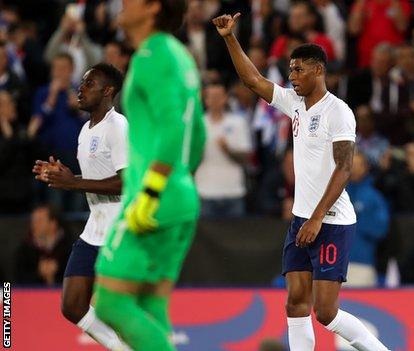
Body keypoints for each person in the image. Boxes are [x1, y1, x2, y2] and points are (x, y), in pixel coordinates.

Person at [214, 12, 389, 351]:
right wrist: (229, 38)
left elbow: (344, 168)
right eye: (290, 69)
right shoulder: (295, 104)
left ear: (319, 70)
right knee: (295, 303)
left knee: (325, 312)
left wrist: (318, 217)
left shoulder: (338, 112)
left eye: (298, 69)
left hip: (331, 221)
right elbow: (253, 81)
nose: (291, 76)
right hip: (302, 220)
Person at [93, 1, 206, 350]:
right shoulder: (180, 54)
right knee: (150, 304)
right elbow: (197, 133)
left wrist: (154, 190)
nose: (122, 4)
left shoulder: (149, 57)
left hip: (151, 199)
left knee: (109, 303)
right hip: (180, 196)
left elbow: (174, 127)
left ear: (153, 7)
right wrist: (178, 182)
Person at [32, 63, 127, 350]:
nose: (80, 88)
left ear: (108, 91)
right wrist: (65, 176)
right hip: (94, 229)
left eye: (89, 84)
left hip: (119, 232)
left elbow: (126, 182)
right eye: (82, 82)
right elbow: (95, 178)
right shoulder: (85, 129)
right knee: (72, 306)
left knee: (117, 311)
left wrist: (72, 183)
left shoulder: (117, 125)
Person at [195, 81, 252, 218]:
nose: (215, 100)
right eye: (211, 97)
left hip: (233, 192)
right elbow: (189, 160)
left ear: (225, 98)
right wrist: (197, 151)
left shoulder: (238, 122)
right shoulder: (198, 124)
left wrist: (228, 150)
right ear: (206, 100)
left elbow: (246, 158)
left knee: (236, 239)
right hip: (205, 192)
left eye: (218, 96)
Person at [345, 152, 389, 287]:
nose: (354, 168)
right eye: (351, 164)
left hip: (361, 264)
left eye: (359, 165)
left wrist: (358, 217)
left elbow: (381, 229)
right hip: (332, 263)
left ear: (366, 167)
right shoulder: (335, 194)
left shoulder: (374, 197)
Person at [14, 204, 73, 286]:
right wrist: (39, 273)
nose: (34, 225)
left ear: (53, 224)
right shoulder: (25, 248)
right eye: (33, 221)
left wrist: (54, 276)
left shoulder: (70, 247)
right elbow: (16, 282)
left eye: (39, 221)